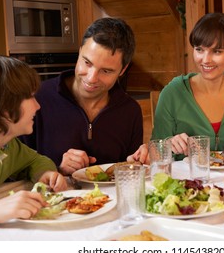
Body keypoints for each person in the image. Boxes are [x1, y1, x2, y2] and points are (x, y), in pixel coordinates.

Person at [0, 55, 67, 241]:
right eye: (30, 97)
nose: (38, 106)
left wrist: (44, 173)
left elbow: (35, 160)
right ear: (3, 107)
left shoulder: (6, 145)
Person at [128, 12, 224, 163]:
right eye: (199, 49)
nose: (205, 60)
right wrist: (170, 144)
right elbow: (154, 153)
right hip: (188, 183)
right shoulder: (172, 92)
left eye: (217, 51)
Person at [21, 17, 143, 175]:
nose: (91, 78)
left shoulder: (130, 111)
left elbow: (130, 172)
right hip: (49, 198)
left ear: (122, 70)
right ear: (79, 52)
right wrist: (57, 169)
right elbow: (14, 172)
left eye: (106, 71)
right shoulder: (37, 99)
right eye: (87, 62)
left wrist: (137, 163)